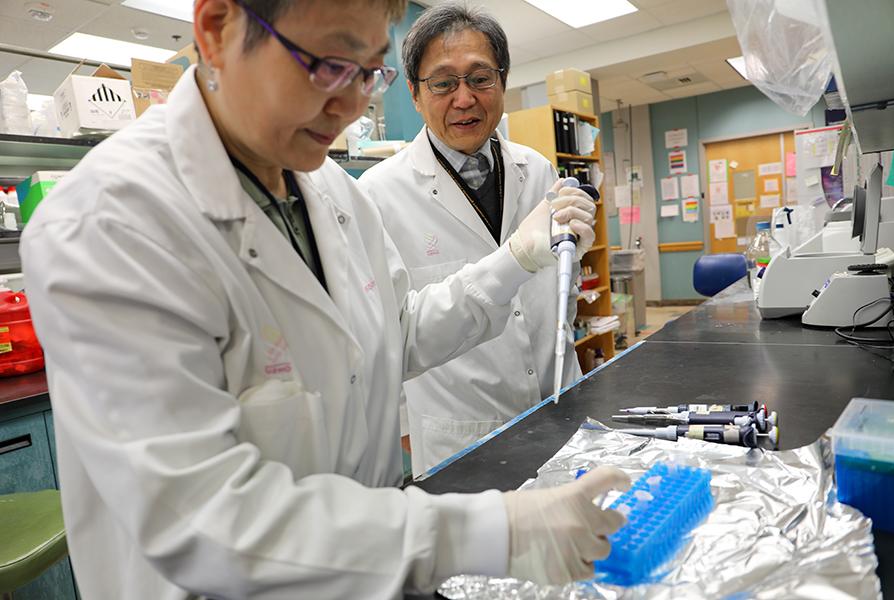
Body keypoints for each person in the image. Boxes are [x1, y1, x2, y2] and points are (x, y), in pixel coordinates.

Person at [20, 0, 629, 597]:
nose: (352, 104)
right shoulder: (109, 223)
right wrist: (490, 531)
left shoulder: (332, 188)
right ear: (215, 29)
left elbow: (402, 332)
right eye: (328, 64)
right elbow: (205, 522)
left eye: (367, 72)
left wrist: (516, 261)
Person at [359, 3, 582, 476]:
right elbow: (384, 332)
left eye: (480, 78)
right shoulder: (377, 195)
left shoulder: (537, 168)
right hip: (461, 433)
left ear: (502, 82)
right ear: (417, 96)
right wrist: (403, 423)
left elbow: (560, 282)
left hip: (560, 404)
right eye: (443, 83)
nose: (464, 98)